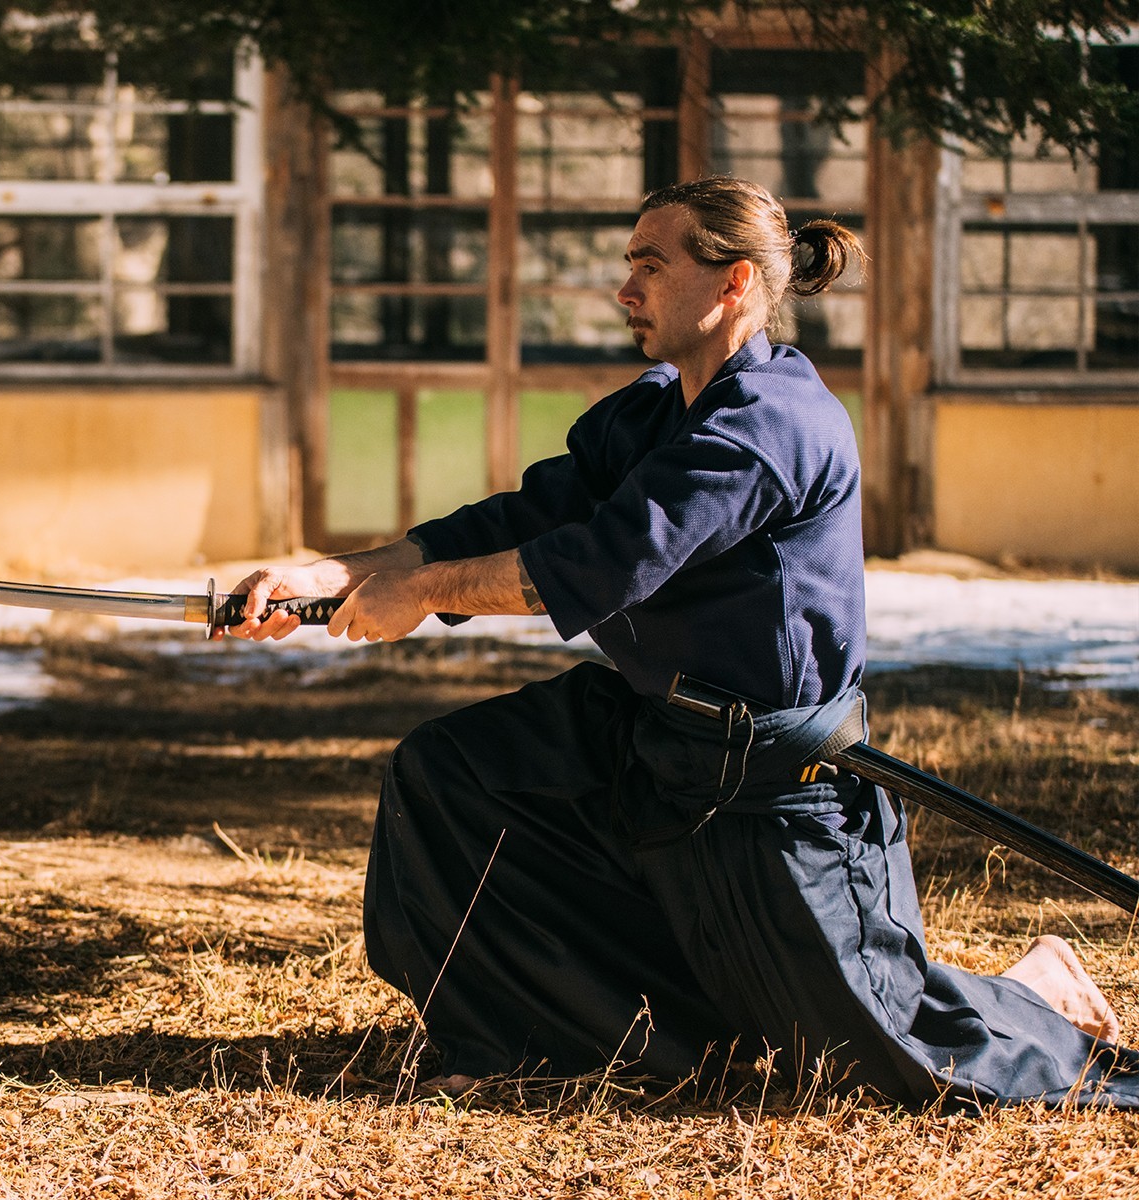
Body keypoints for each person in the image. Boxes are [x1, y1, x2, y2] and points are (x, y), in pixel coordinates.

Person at [226, 176, 1137, 1107]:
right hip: (653, 744)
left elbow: (604, 559)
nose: (627, 290)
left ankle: (1038, 992)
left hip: (774, 791)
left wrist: (418, 594)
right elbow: (530, 514)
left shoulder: (774, 425)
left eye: (651, 266)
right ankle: (503, 1039)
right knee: (451, 776)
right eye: (631, 265)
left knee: (885, 1065)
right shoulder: (654, 411)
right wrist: (334, 574)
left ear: (733, 282)